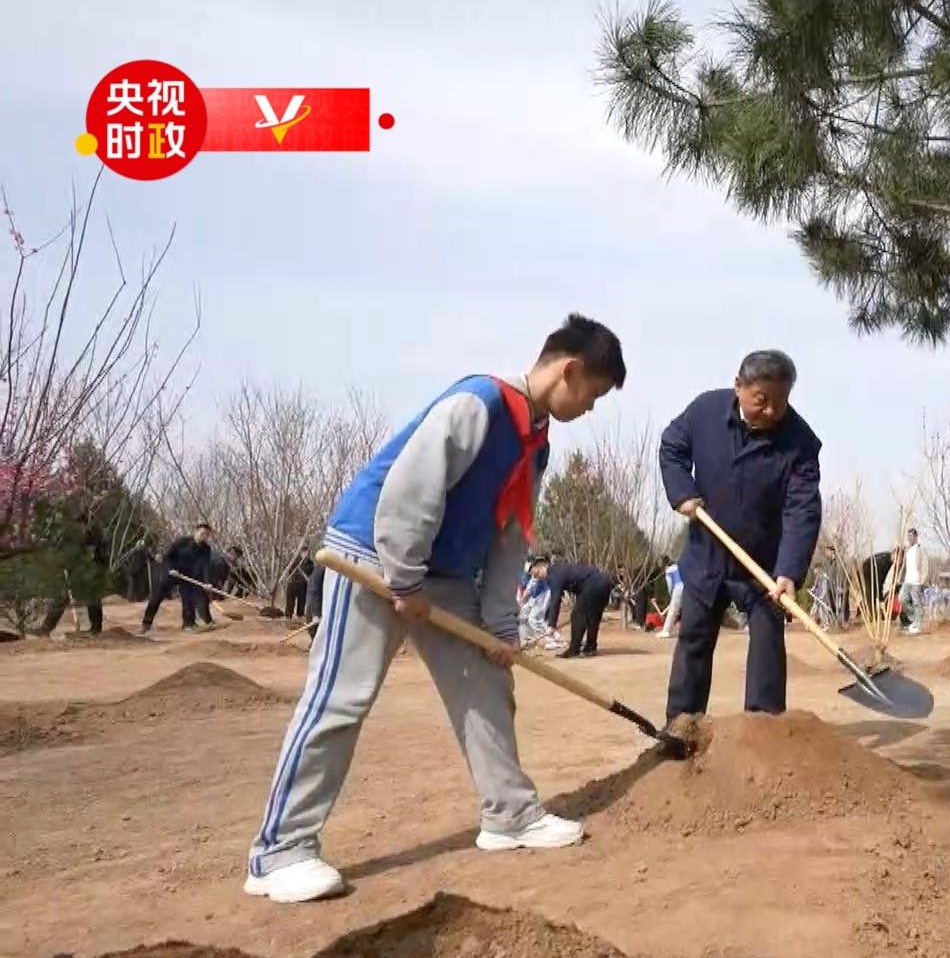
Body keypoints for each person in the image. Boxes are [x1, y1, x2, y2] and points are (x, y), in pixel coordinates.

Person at [244, 313, 625, 904]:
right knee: (341, 699)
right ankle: (279, 852)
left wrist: (500, 627)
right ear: (570, 370)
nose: (591, 408)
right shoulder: (479, 404)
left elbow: (510, 536)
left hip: (444, 574)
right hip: (373, 554)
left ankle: (510, 815)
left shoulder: (536, 443)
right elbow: (410, 491)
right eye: (593, 394)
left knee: (485, 683)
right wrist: (403, 577)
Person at [659, 349, 821, 737]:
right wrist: (682, 491)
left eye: (780, 402)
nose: (771, 411)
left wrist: (789, 570)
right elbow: (672, 446)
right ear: (738, 386)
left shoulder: (800, 442)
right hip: (708, 553)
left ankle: (762, 733)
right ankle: (681, 728)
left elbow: (802, 508)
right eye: (761, 400)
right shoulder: (704, 412)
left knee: (767, 642)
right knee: (694, 640)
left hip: (763, 563)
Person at [141, 522, 215, 633]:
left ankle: (188, 624)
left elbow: (205, 566)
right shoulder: (182, 542)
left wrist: (207, 582)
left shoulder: (206, 549)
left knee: (189, 598)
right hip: (171, 571)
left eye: (207, 535)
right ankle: (146, 623)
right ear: (196, 532)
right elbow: (168, 556)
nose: (204, 537)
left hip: (187, 575)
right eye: (202, 533)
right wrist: (171, 569)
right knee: (157, 597)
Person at [543, 559, 614, 658]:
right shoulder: (562, 569)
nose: (535, 576)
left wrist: (551, 624)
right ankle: (590, 647)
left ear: (541, 566)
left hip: (593, 584)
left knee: (577, 616)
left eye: (535, 573)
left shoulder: (554, 575)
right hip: (605, 582)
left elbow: (555, 600)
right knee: (593, 617)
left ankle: (574, 649)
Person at [518, 557, 566, 651]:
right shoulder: (529, 574)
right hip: (536, 596)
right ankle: (527, 637)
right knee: (523, 614)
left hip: (544, 594)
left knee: (534, 619)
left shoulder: (539, 571)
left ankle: (552, 638)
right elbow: (528, 588)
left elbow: (530, 588)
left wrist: (522, 600)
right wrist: (522, 602)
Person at [899, 528, 927, 635]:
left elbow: (925, 565)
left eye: (910, 536)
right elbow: (901, 562)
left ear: (916, 537)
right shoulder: (907, 550)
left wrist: (922, 579)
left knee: (916, 602)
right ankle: (915, 616)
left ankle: (917, 625)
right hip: (907, 580)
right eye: (908, 536)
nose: (909, 538)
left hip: (916, 581)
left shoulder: (920, 549)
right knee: (902, 598)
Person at [657, 556, 684, 638]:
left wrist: (670, 594)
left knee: (673, 610)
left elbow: (669, 584)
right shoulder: (679, 567)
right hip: (686, 587)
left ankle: (666, 631)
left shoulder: (668, 570)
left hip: (678, 587)